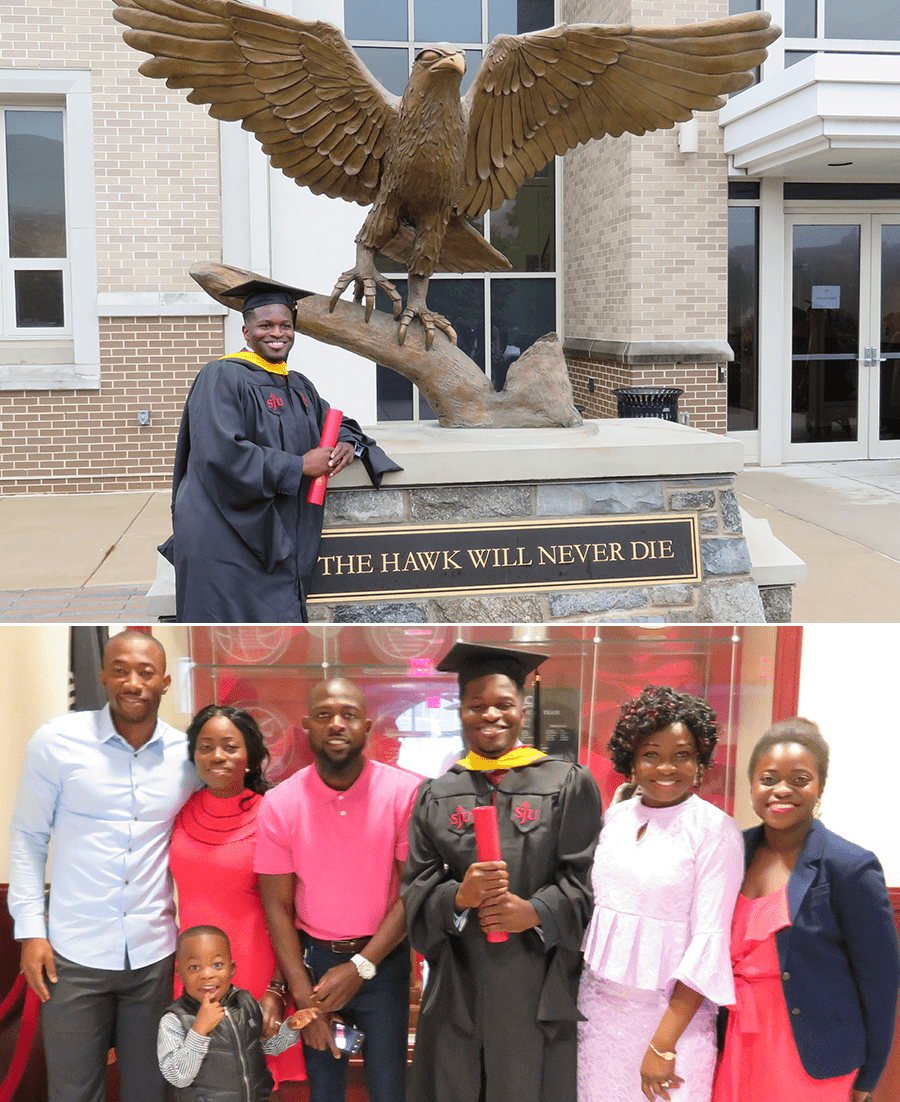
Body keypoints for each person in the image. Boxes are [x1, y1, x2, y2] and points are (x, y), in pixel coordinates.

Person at [403, 642, 604, 1102]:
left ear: (522, 707)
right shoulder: (436, 794)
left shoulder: (567, 783)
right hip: (458, 984)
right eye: (477, 706)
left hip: (534, 985)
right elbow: (415, 891)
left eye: (503, 704)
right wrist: (458, 897)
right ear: (461, 711)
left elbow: (588, 884)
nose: (490, 714)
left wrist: (534, 912)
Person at [8, 630, 199, 1102]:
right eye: (120, 670)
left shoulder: (188, 757)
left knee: (149, 1090)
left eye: (145, 672)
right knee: (73, 1090)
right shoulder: (56, 742)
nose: (132, 682)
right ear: (102, 675)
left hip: (154, 955)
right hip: (72, 957)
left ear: (165, 682)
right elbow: (28, 837)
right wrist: (31, 930)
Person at [160, 276, 402, 622]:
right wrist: (298, 466)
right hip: (225, 536)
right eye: (266, 325)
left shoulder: (298, 385)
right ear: (247, 332)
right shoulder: (221, 377)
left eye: (285, 325)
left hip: (276, 533)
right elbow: (220, 453)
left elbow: (336, 421)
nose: (277, 333)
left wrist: (347, 443)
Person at [712, 718, 900, 1102]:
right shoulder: (732, 852)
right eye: (768, 778)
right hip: (735, 1045)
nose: (782, 789)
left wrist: (869, 1077)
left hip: (813, 1056)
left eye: (799, 779)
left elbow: (880, 983)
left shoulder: (850, 866)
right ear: (752, 786)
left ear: (820, 788)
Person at [254, 677, 421, 1102]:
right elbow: (277, 905)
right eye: (325, 716)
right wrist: (302, 998)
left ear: (366, 727)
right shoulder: (281, 802)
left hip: (382, 963)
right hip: (314, 967)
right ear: (307, 726)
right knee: (324, 1091)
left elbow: (410, 892)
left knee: (388, 1088)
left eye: (348, 715)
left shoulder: (405, 793)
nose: (337, 724)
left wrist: (362, 967)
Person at [577, 685, 744, 1102]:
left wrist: (662, 1045)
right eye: (651, 754)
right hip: (598, 1016)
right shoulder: (614, 819)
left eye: (682, 754)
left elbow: (709, 942)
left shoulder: (714, 830)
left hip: (670, 1023)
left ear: (700, 760)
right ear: (630, 761)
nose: (666, 767)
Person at [169, 704, 306, 1088]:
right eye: (205, 746)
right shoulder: (180, 810)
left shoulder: (272, 813)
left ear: (250, 757)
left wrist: (279, 989)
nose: (217, 756)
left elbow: (289, 908)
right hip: (193, 972)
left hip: (253, 971)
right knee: (198, 1081)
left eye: (229, 746)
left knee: (253, 1081)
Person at [158, 924, 317, 1101]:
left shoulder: (245, 1003)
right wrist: (199, 1030)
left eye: (217, 965)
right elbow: (177, 1077)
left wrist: (290, 1027)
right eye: (195, 967)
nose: (207, 974)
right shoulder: (174, 1020)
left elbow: (266, 1048)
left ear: (231, 968)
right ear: (180, 973)